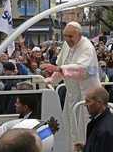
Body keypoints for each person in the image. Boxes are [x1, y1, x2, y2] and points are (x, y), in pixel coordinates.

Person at [40, 21, 101, 151]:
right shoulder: (66, 46)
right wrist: (51, 81)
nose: (67, 39)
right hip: (72, 94)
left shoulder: (87, 47)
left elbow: (83, 70)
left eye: (70, 36)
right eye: (65, 36)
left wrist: (57, 69)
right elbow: (62, 67)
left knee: (84, 128)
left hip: (87, 96)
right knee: (70, 127)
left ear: (79, 35)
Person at [74, 87, 113, 152]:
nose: (85, 104)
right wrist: (85, 148)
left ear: (99, 103)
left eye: (88, 101)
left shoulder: (105, 132)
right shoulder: (103, 119)